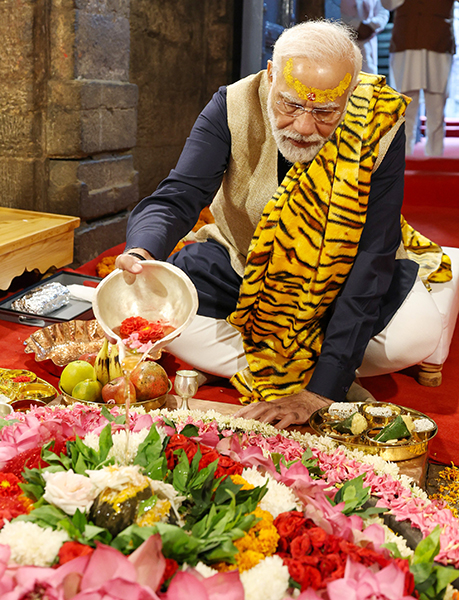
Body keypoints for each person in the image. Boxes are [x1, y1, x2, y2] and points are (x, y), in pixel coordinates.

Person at [116, 20, 442, 429]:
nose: (305, 127)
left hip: (339, 278)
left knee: (416, 337)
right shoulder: (231, 106)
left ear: (351, 91)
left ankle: (292, 370)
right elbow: (179, 194)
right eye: (290, 105)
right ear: (271, 75)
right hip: (244, 263)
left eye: (325, 111)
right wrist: (141, 250)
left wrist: (321, 392)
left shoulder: (378, 122)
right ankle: (313, 367)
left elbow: (373, 253)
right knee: (160, 311)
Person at [381, 0, 456, 156]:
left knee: (436, 104)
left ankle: (435, 157)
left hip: (438, 43)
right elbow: (387, 4)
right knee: (406, 104)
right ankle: (404, 158)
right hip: (406, 43)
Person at [339, 0, 389, 74]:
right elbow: (332, 12)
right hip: (343, 43)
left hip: (368, 45)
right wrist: (356, 25)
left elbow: (383, 11)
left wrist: (372, 26)